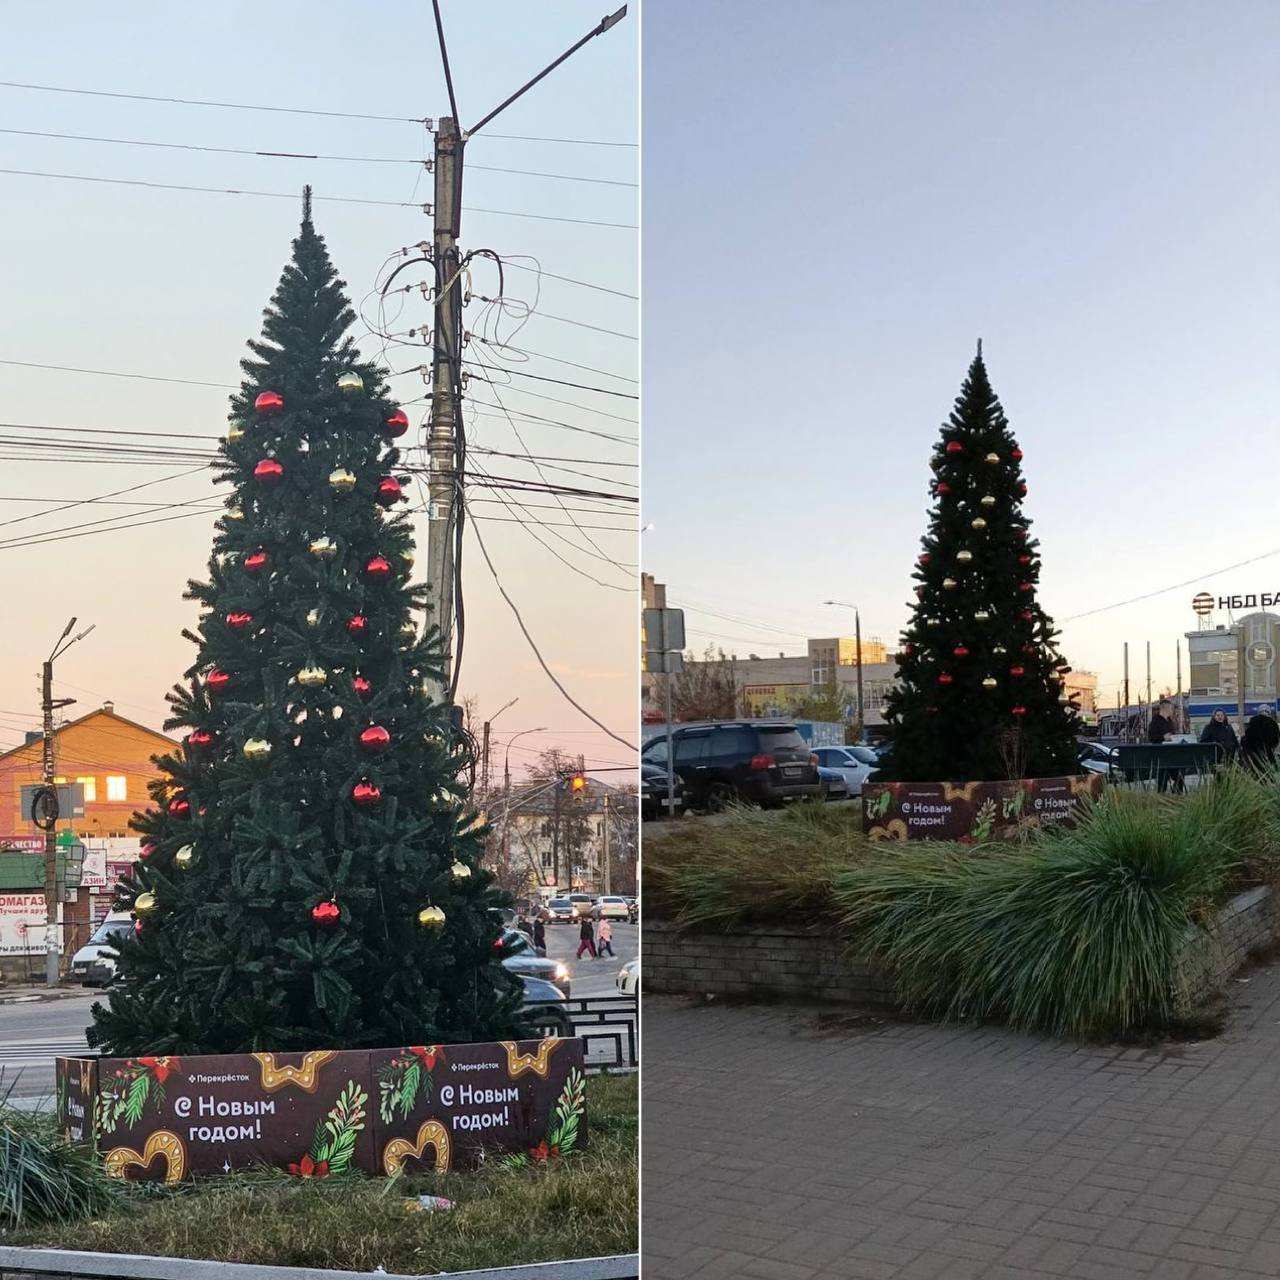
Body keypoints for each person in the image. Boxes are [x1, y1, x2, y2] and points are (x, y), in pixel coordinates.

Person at [1147, 699, 1182, 792]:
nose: (1172, 710)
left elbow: (1172, 735)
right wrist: (1163, 737)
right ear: (1164, 708)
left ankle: (1178, 794)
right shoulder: (1155, 721)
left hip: (1172, 754)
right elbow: (1151, 737)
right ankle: (1162, 797)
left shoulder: (1170, 721)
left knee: (1179, 775)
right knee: (1163, 777)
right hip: (1161, 755)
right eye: (1171, 708)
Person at [1242, 707, 1280, 772]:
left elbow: (1246, 739)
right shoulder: (1273, 724)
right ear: (1269, 713)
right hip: (1268, 754)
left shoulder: (1252, 722)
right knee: (1269, 773)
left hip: (1254, 755)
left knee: (1256, 773)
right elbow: (1276, 741)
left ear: (1259, 712)